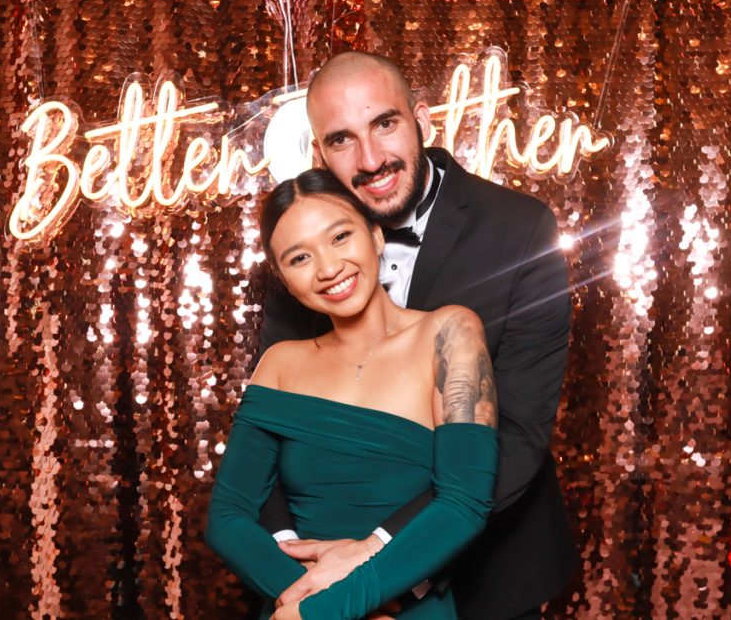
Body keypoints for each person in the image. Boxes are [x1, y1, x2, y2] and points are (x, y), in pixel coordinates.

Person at [256, 51, 577, 620]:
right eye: (341, 140)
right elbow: (274, 419)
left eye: (385, 123)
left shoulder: (520, 229)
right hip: (321, 573)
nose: (371, 159)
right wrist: (293, 561)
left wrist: (380, 559)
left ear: (423, 122)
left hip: (483, 578)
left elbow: (519, 432)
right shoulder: (299, 247)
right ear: (318, 153)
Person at [206, 168, 500, 619]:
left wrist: (341, 607)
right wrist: (311, 601)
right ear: (284, 279)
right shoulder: (280, 363)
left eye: (340, 237)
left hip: (405, 605)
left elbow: (463, 504)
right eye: (299, 259)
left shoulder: (449, 333)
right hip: (298, 600)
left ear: (376, 235)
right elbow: (228, 515)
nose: (328, 268)